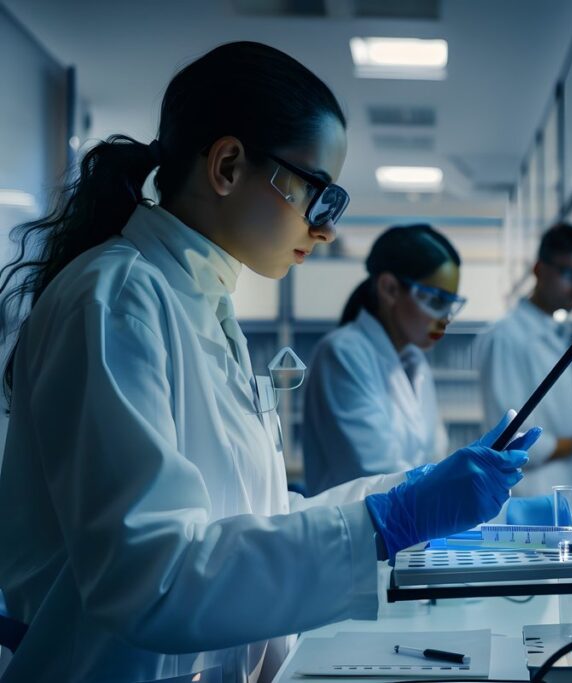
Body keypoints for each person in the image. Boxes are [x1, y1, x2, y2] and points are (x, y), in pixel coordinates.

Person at [0, 41, 538, 683]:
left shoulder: (201, 304)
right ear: (227, 166)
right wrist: (390, 521)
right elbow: (154, 578)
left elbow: (256, 522)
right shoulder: (115, 299)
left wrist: (407, 492)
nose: (326, 228)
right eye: (318, 193)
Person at [302, 224, 464, 494]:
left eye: (451, 305)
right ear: (390, 289)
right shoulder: (343, 352)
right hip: (357, 529)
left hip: (412, 527)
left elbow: (434, 456)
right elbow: (377, 474)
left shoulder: (415, 362)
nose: (445, 317)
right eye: (437, 301)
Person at [476, 223, 572, 497]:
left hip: (561, 495)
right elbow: (512, 438)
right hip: (527, 497)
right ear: (539, 270)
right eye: (569, 274)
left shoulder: (555, 335)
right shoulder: (506, 337)